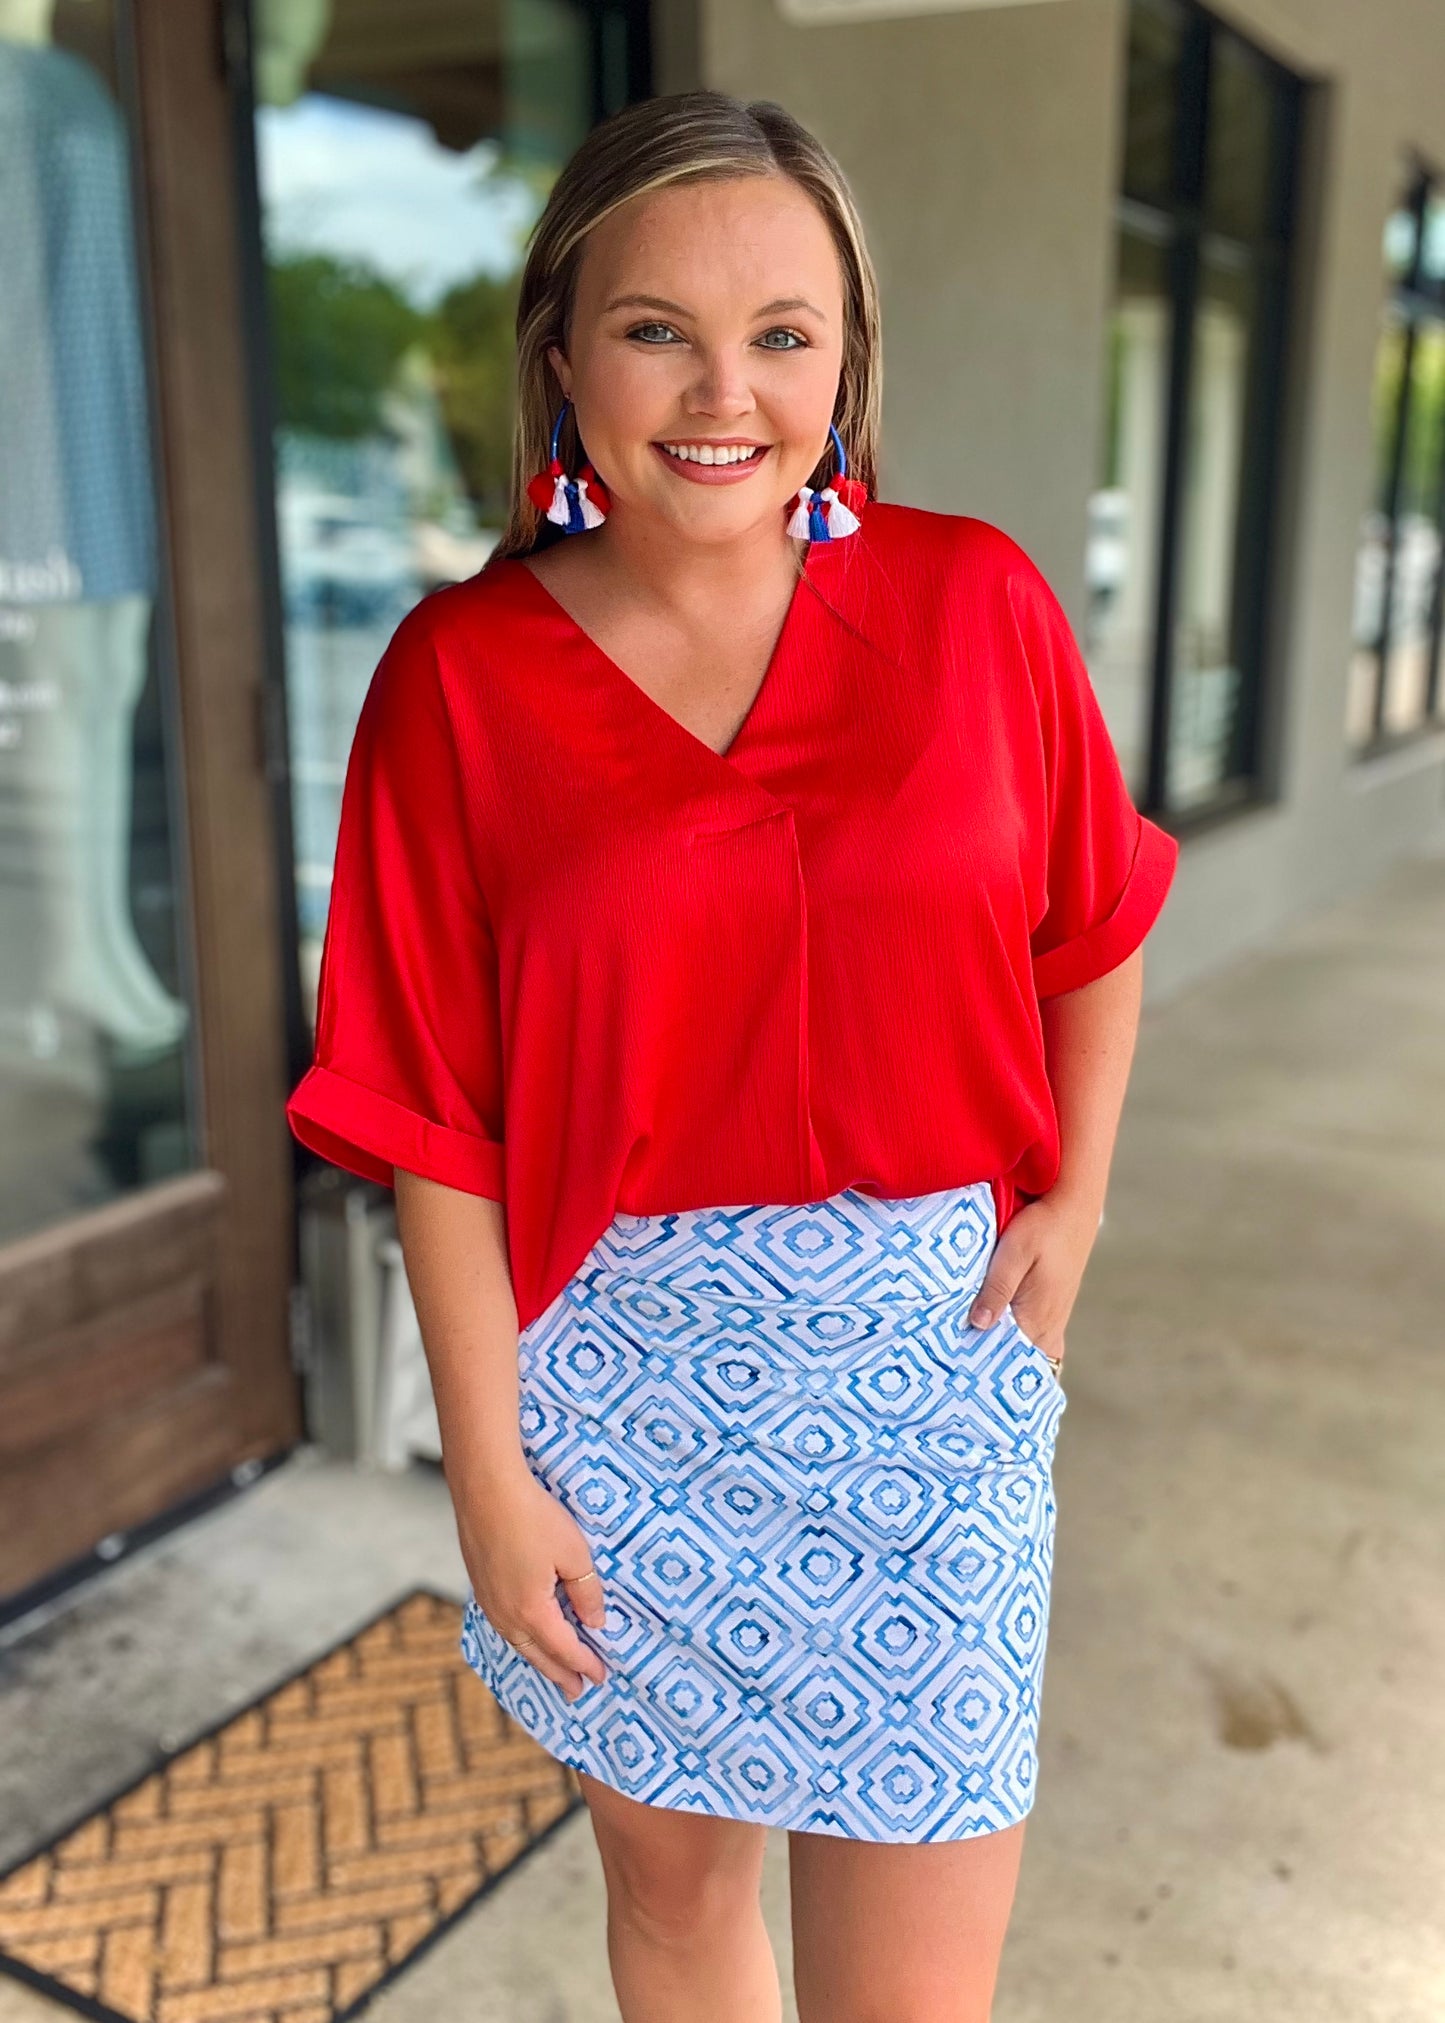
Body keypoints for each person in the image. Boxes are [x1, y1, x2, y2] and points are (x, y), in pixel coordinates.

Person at [285, 88, 1179, 2023]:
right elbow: (431, 1115)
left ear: (848, 358)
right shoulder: (455, 679)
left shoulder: (975, 607)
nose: (723, 390)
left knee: (914, 1992)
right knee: (677, 1905)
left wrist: (1077, 1202)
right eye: (653, 328)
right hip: (613, 1390)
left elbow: (1086, 925)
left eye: (783, 332)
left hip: (924, 1367)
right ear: (562, 353)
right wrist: (489, 1473)